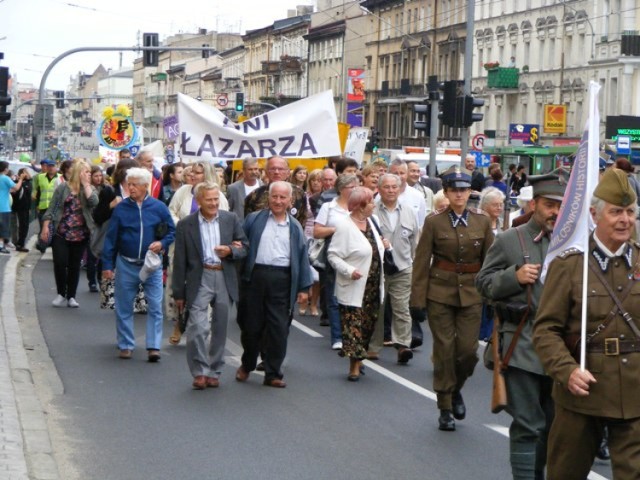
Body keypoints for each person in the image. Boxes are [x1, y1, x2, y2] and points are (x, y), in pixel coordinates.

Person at [533, 168, 640, 479]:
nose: (625, 220)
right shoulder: (570, 266)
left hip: (634, 395)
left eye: (630, 212)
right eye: (616, 212)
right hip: (582, 392)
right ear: (594, 214)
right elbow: (546, 330)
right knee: (565, 472)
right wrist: (566, 371)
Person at [476, 169, 568, 479]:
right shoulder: (509, 240)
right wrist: (512, 277)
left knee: (554, 426)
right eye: (549, 205)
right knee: (529, 423)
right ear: (534, 205)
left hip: (563, 350)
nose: (555, 212)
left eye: (560, 206)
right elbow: (483, 283)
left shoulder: (574, 242)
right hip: (522, 344)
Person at [410, 166, 494, 431]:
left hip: (472, 293)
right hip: (440, 293)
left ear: (470, 192)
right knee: (444, 350)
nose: (459, 195)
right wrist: (417, 300)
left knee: (468, 352)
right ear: (445, 192)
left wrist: (492, 293)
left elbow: (490, 261)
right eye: (454, 190)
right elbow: (422, 262)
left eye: (464, 190)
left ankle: (456, 388)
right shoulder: (434, 221)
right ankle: (445, 406)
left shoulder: (482, 221)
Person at [235, 181, 312, 388]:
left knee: (278, 328)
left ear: (290, 201)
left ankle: (273, 373)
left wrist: (304, 288)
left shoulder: (294, 226)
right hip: (255, 277)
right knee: (251, 326)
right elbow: (241, 244)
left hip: (282, 280)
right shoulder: (254, 219)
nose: (278, 201)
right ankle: (247, 363)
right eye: (274, 197)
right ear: (268, 198)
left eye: (282, 198)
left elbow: (302, 256)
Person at [172, 182, 248, 389]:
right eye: (209, 200)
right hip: (200, 277)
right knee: (197, 327)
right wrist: (178, 292)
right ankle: (199, 371)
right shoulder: (186, 225)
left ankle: (214, 370)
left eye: (216, 199)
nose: (214, 203)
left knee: (220, 327)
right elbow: (179, 260)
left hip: (224, 276)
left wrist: (230, 250)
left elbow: (244, 247)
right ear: (199, 201)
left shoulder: (230, 219)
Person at [101, 167, 175, 361]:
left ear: (145, 186)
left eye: (134, 184)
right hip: (126, 263)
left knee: (155, 307)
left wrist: (162, 243)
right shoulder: (121, 209)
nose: (130, 188)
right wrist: (107, 266)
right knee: (124, 306)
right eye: (128, 184)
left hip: (152, 265)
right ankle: (126, 344)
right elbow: (111, 239)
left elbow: (172, 231)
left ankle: (153, 346)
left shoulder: (159, 207)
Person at [167, 161, 229, 345]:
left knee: (202, 289)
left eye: (198, 172)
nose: (193, 175)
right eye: (192, 172)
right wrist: (184, 226)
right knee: (178, 286)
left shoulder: (218, 196)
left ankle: (201, 327)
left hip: (207, 251)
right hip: (182, 245)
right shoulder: (183, 191)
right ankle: (179, 323)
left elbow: (224, 221)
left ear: (207, 174)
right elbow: (171, 211)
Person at [328, 186, 385, 380]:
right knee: (353, 325)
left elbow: (376, 248)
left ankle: (359, 359)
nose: (374, 205)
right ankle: (353, 364)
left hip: (374, 284)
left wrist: (385, 246)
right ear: (360, 205)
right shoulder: (344, 226)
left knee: (368, 325)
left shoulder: (373, 222)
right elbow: (333, 255)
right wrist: (349, 271)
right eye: (370, 202)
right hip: (354, 285)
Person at [370, 174, 419, 363]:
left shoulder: (408, 211)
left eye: (394, 187)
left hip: (403, 267)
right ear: (380, 189)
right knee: (378, 308)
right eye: (387, 187)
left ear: (399, 189)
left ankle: (403, 345)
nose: (391, 190)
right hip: (378, 268)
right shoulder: (371, 210)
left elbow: (415, 240)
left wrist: (414, 263)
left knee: (401, 307)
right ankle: (373, 347)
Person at [41, 160, 98, 307]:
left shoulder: (89, 188)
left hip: (80, 234)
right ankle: (61, 293)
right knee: (60, 263)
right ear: (78, 172)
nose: (89, 175)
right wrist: (45, 226)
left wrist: (85, 184)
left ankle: (71, 296)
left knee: (74, 266)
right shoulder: (63, 188)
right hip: (61, 232)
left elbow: (94, 202)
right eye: (86, 172)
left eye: (90, 172)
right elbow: (52, 208)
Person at [314, 174, 359, 350]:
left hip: (355, 256)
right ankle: (337, 336)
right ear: (341, 189)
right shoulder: (329, 207)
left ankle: (351, 333)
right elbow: (317, 232)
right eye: (351, 187)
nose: (354, 190)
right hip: (333, 255)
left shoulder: (359, 206)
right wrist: (336, 229)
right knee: (333, 295)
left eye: (356, 186)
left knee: (352, 296)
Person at [244, 156, 307, 227]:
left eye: (280, 169)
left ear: (288, 172)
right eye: (273, 169)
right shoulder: (255, 195)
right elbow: (248, 224)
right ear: (266, 171)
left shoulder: (299, 194)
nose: (276, 172)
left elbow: (302, 222)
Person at [32, 158, 61, 246]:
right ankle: (42, 245)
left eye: (53, 166)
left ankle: (51, 245)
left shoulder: (60, 178)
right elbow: (37, 191)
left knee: (55, 228)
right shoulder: (40, 177)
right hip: (43, 207)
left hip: (56, 207)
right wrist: (36, 205)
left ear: (56, 167)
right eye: (49, 166)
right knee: (43, 228)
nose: (51, 168)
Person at [0, 162, 25, 254]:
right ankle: (1, 246)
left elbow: (7, 189)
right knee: (4, 227)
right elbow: (17, 187)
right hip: (3, 207)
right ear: (5, 169)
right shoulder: (5, 178)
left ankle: (3, 244)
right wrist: (21, 179)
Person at [10, 167, 32, 252]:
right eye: (25, 172)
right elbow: (14, 190)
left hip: (25, 209)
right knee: (15, 227)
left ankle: (21, 243)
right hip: (15, 208)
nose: (27, 174)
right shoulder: (15, 183)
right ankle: (17, 243)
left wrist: (29, 208)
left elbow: (28, 197)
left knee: (24, 226)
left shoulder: (28, 183)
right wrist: (19, 179)